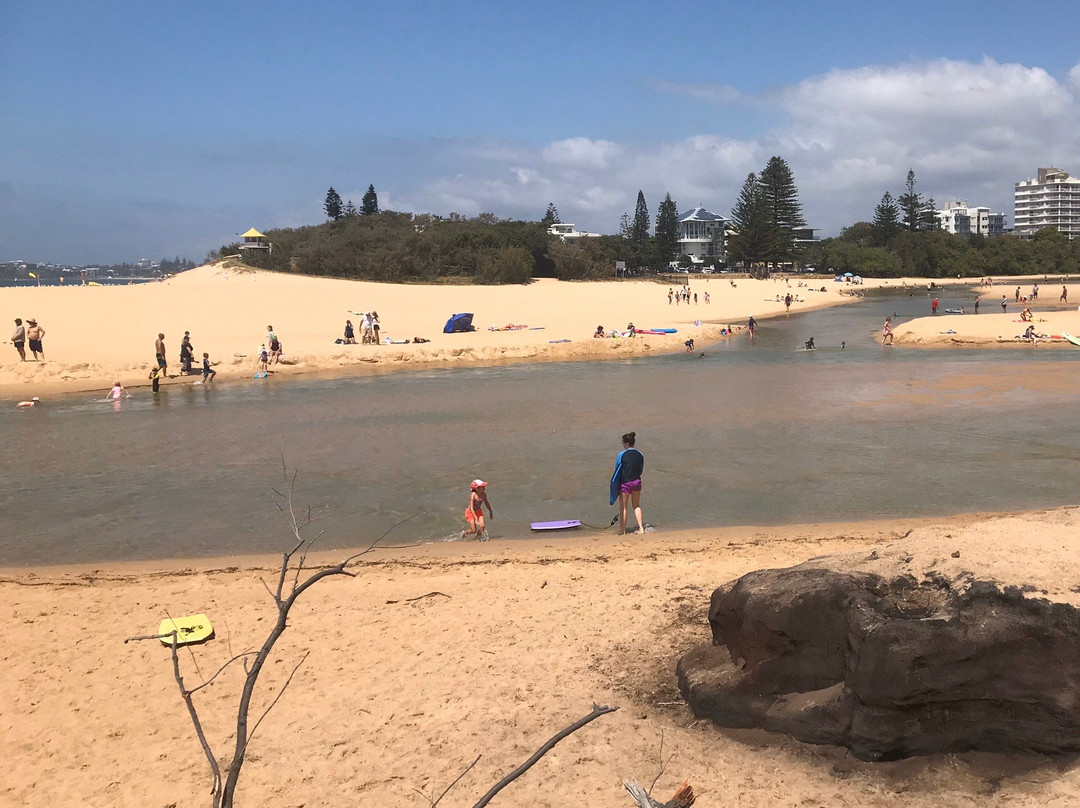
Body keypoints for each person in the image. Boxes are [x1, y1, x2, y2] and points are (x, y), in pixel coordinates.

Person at [611, 432, 645, 536]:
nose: (622, 445)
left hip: (625, 483)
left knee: (624, 508)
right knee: (636, 505)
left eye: (623, 443)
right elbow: (640, 469)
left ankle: (623, 531)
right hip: (637, 482)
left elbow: (617, 470)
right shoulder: (640, 454)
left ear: (626, 443)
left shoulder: (621, 455)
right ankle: (641, 528)